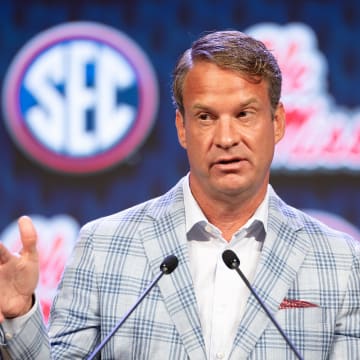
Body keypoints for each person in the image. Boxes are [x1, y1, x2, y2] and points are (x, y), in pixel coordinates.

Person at [0, 30, 359, 360]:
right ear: (182, 128)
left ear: (277, 123)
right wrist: (20, 316)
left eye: (244, 114)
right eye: (205, 117)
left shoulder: (341, 261)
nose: (226, 138)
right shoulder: (102, 246)